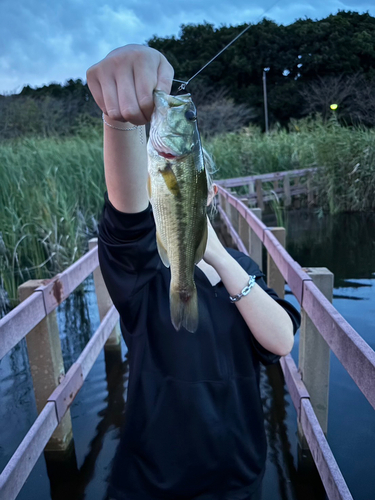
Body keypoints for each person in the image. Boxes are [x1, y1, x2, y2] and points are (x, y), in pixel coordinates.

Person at [87, 44, 301, 500]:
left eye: (197, 178)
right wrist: (119, 118)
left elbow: (282, 339)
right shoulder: (147, 270)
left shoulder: (240, 271)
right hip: (150, 485)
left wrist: (220, 258)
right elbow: (127, 215)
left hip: (238, 482)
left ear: (210, 191)